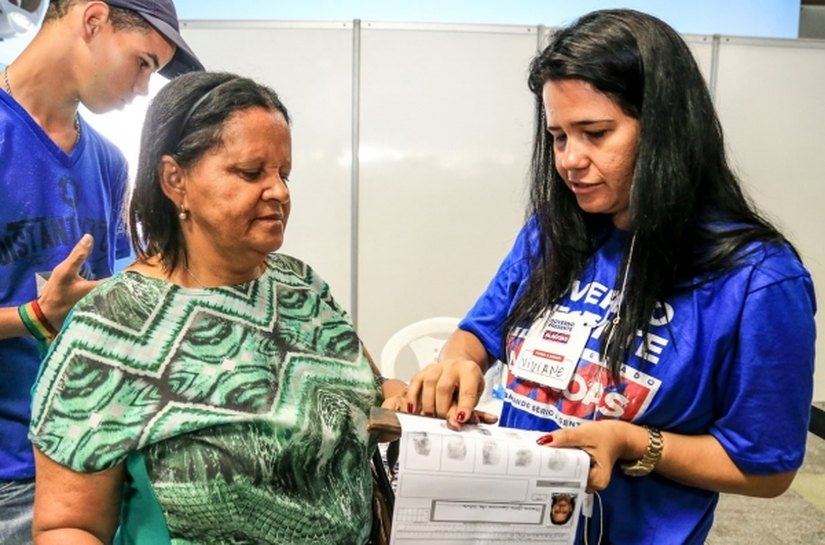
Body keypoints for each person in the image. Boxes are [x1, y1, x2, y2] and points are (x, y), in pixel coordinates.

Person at [406, 8, 816, 545]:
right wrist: (457, 364)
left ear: (667, 130)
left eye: (595, 133)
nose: (570, 160)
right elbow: (477, 334)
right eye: (557, 137)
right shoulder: (551, 235)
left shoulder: (759, 281)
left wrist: (633, 443)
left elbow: (766, 468)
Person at [28, 71, 408, 545]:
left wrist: (414, 398)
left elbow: (372, 388)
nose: (280, 193)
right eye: (251, 173)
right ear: (175, 179)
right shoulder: (109, 327)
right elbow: (69, 525)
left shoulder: (301, 285)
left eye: (283, 174)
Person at [0, 1, 202, 543]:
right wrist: (34, 315)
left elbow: (115, 291)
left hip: (85, 454)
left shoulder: (109, 162)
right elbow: (50, 311)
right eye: (142, 63)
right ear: (92, 21)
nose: (142, 88)